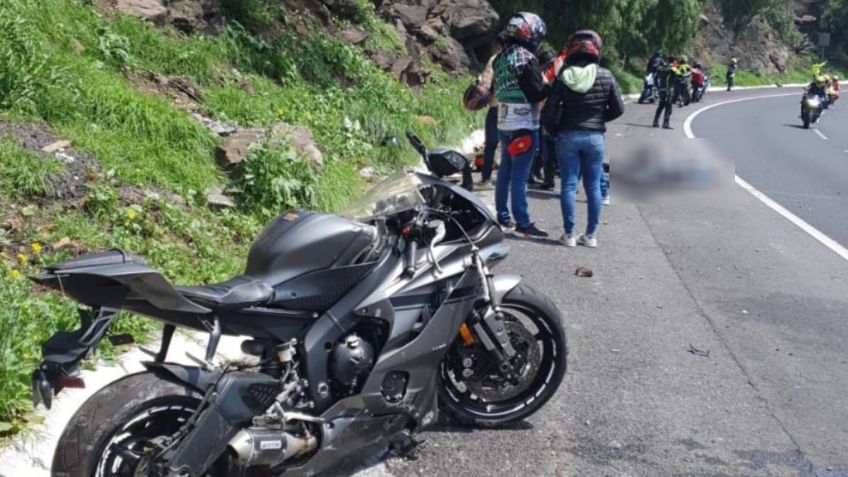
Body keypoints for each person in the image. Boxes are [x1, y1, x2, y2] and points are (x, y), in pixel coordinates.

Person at [541, 30, 623, 248]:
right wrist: (598, 120)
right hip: (594, 138)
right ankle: (590, 236)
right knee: (594, 186)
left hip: (567, 136)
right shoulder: (606, 75)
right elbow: (618, 108)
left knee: (568, 185)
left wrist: (555, 130)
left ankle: (569, 235)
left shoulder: (563, 76)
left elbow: (548, 112)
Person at [492, 12, 550, 239]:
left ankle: (502, 215)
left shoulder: (500, 58)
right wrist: (549, 86)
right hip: (524, 125)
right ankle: (523, 222)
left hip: (504, 123)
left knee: (504, 172)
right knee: (519, 176)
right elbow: (535, 93)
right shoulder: (526, 58)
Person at [476, 44, 502, 188]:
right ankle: (508, 177)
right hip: (517, 108)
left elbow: (485, 84)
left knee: (491, 144)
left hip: (496, 106)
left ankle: (486, 178)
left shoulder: (495, 59)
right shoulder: (523, 58)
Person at [652, 56, 676, 129]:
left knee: (661, 106)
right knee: (668, 107)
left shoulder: (662, 68)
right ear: (674, 61)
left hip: (662, 90)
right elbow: (679, 74)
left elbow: (658, 71)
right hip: (668, 91)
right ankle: (665, 124)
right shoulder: (672, 69)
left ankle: (655, 122)